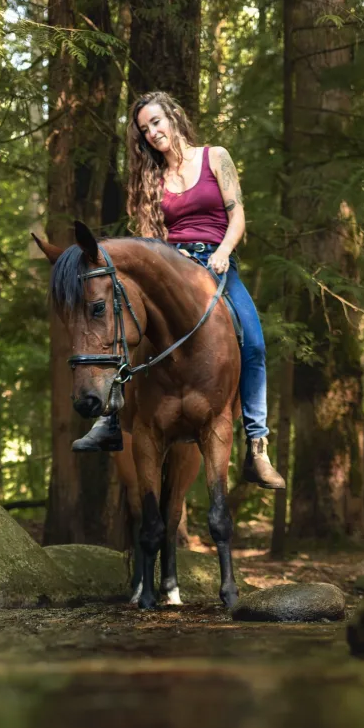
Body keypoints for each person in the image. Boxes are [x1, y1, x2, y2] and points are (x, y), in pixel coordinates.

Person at [72, 91, 286, 491]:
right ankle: (110, 419)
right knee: (126, 326)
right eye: (144, 130)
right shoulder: (151, 179)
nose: (152, 133)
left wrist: (223, 252)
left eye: (156, 122)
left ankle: (257, 447)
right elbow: (150, 238)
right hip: (173, 266)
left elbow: (238, 215)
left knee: (254, 343)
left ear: (172, 116)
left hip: (218, 263)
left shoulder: (215, 157)